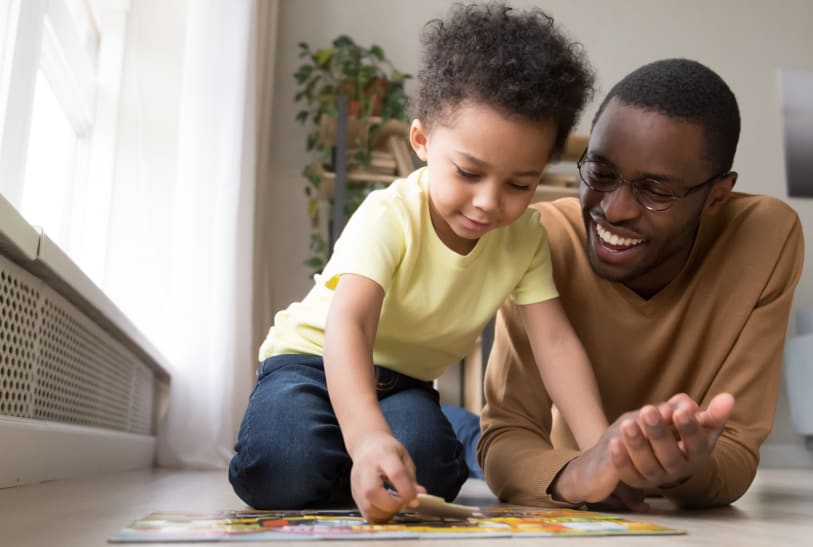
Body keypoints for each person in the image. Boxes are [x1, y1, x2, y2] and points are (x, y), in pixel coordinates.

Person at [228, 3, 605, 523]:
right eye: (469, 172)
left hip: (404, 383)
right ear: (423, 140)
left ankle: (393, 435)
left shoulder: (525, 238)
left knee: (430, 470)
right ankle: (345, 435)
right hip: (312, 362)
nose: (489, 203)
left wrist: (601, 450)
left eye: (520, 184)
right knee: (282, 472)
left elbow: (556, 344)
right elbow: (351, 325)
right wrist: (367, 441)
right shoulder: (390, 214)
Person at [476, 58, 805, 509]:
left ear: (716, 196)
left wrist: (686, 466)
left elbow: (736, 454)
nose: (614, 209)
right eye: (601, 173)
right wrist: (579, 474)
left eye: (655, 191)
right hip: (569, 459)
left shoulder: (765, 237)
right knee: (440, 438)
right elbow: (504, 437)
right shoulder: (543, 238)